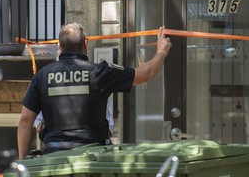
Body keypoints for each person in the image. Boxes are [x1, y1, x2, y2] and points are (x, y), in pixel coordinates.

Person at [17, 23, 172, 160]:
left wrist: (22, 162)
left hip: (53, 159)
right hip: (91, 158)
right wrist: (161, 51)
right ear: (85, 44)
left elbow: (25, 121)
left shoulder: (42, 76)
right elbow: (146, 74)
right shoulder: (100, 72)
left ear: (59, 46)